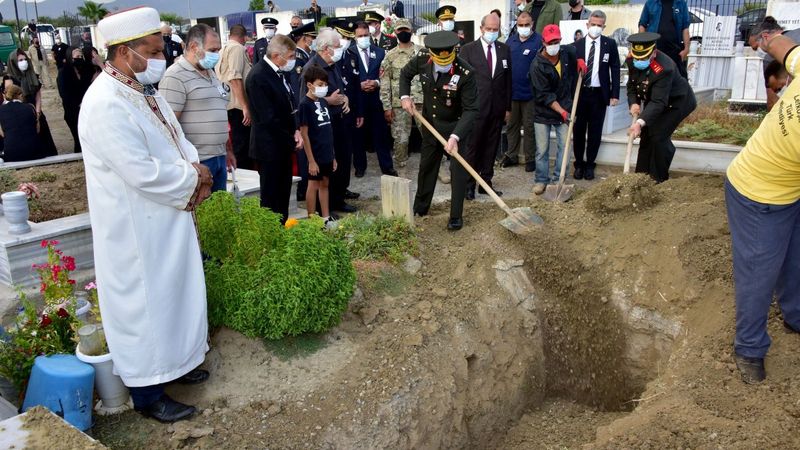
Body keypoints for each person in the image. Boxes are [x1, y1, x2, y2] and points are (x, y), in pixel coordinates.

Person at [78, 6, 214, 423]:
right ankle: (148, 395)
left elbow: (177, 139)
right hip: (136, 227)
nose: (160, 57)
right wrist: (191, 179)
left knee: (176, 293)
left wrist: (195, 167)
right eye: (153, 51)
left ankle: (178, 363)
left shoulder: (142, 90)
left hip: (168, 216)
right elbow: (140, 171)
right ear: (124, 52)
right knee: (146, 305)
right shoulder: (104, 102)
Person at [724, 31, 800, 384]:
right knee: (759, 272)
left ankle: (795, 315)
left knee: (793, 256)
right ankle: (749, 349)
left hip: (789, 186)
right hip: (758, 194)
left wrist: (767, 39)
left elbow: (784, 48)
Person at [400, 31, 478, 231]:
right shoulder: (422, 60)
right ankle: (421, 208)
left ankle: (455, 216)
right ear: (432, 54)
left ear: (453, 52)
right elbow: (405, 74)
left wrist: (455, 136)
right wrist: (405, 96)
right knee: (426, 167)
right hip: (430, 126)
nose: (443, 64)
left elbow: (471, 110)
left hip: (456, 128)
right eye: (439, 61)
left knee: (457, 172)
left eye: (447, 61)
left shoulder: (466, 72)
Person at [160, 24, 234, 193]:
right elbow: (168, 125)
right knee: (202, 216)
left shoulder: (210, 72)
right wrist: (189, 163)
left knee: (219, 213)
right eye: (212, 50)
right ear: (194, 47)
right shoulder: (175, 76)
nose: (216, 55)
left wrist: (227, 150)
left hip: (219, 157)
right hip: (197, 163)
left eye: (218, 50)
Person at [302, 27, 360, 214]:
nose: (340, 49)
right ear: (326, 48)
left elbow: (341, 89)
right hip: (324, 124)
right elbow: (305, 99)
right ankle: (324, 208)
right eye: (337, 46)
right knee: (327, 167)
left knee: (342, 161)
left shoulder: (334, 65)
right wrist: (329, 101)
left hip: (341, 120)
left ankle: (338, 199)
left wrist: (345, 98)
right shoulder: (311, 68)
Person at [246, 34, 303, 222]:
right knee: (271, 200)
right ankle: (271, 241)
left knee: (283, 196)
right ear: (278, 56)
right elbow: (268, 118)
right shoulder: (258, 76)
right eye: (291, 57)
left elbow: (289, 105)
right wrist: (291, 139)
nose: (293, 61)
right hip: (270, 147)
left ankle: (282, 232)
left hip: (283, 144)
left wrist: (296, 130)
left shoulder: (279, 72)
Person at [626, 32, 696, 183]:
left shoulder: (664, 68)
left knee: (658, 137)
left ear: (654, 52)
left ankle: (658, 179)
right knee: (645, 136)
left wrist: (639, 123)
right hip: (656, 102)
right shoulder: (632, 60)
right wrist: (633, 102)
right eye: (637, 57)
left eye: (643, 57)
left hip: (677, 102)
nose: (639, 60)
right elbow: (631, 84)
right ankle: (641, 178)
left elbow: (659, 102)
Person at [460, 13, 511, 200]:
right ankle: (469, 185)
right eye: (488, 29)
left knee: (491, 147)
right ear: (481, 29)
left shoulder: (504, 49)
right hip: (475, 109)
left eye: (495, 29)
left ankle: (486, 182)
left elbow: (508, 80)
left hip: (497, 109)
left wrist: (507, 108)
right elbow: (462, 82)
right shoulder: (468, 50)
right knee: (473, 147)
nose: (491, 32)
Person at [530, 24, 581, 195]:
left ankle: (558, 179)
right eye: (551, 42)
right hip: (543, 111)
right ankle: (541, 180)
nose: (554, 45)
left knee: (565, 146)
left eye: (557, 41)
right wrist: (563, 112)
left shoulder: (567, 52)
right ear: (543, 42)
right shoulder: (537, 65)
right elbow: (544, 95)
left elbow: (577, 50)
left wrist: (579, 60)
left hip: (565, 105)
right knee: (542, 149)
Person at [572, 10, 620, 181]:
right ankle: (578, 164)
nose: (596, 28)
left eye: (599, 25)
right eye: (593, 24)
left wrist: (614, 94)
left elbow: (615, 68)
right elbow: (571, 72)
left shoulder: (610, 44)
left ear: (604, 26)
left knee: (595, 131)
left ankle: (590, 164)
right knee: (578, 131)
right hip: (581, 94)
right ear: (587, 24)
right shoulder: (576, 46)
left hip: (599, 95)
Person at [353, 21, 396, 177]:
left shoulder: (380, 53)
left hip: (376, 100)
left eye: (366, 35)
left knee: (381, 135)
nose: (363, 38)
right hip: (358, 101)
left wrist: (376, 83)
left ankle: (387, 166)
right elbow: (347, 78)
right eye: (360, 36)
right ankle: (359, 166)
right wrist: (360, 84)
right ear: (355, 37)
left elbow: (384, 75)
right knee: (358, 135)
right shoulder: (349, 53)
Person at [502, 11, 541, 172]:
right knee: (512, 126)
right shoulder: (510, 42)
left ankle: (530, 158)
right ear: (516, 25)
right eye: (520, 25)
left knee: (529, 127)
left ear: (532, 24)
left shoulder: (539, 41)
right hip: (512, 93)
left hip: (530, 94)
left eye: (526, 25)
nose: (523, 28)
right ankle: (512, 155)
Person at [380, 18, 422, 169]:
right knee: (400, 139)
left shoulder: (422, 52)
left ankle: (440, 168)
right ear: (395, 32)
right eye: (400, 30)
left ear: (411, 31)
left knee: (431, 138)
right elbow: (385, 83)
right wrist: (387, 107)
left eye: (406, 29)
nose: (403, 32)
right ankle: (400, 167)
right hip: (399, 105)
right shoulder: (389, 56)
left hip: (421, 102)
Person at [299, 65, 337, 226]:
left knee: (325, 183)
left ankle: (325, 218)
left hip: (327, 151)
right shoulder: (304, 105)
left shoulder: (323, 102)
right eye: (320, 85)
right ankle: (311, 219)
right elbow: (304, 134)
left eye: (325, 85)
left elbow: (328, 130)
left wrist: (333, 156)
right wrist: (311, 161)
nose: (324, 88)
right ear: (310, 85)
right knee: (313, 184)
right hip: (314, 153)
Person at [6, 50, 57, 157]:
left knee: (43, 135)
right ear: (14, 62)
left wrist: (37, 112)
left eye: (25, 59)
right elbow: (8, 99)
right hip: (21, 114)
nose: (23, 62)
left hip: (35, 109)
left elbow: (38, 94)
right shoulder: (10, 80)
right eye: (20, 60)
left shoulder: (32, 74)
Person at [217, 24, 254, 170]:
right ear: (244, 37)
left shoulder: (223, 50)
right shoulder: (237, 48)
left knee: (240, 146)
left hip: (229, 104)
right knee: (243, 148)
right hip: (237, 106)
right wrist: (245, 106)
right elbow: (235, 78)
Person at [289, 21, 318, 201]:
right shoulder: (298, 59)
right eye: (312, 38)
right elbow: (296, 86)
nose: (313, 41)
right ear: (305, 38)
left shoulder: (307, 55)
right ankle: (303, 188)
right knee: (303, 153)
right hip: (302, 107)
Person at [747, 17, 800, 112]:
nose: (757, 52)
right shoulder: (796, 33)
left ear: (765, 37)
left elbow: (772, 101)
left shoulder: (770, 58)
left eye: (756, 48)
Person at [57, 47, 96, 153]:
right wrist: (77, 104)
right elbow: (63, 93)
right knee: (78, 137)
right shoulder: (63, 72)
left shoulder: (85, 70)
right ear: (70, 57)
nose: (79, 59)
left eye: (80, 56)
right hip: (72, 110)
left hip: (86, 109)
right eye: (76, 57)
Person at [638, 0, 690, 78]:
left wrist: (686, 49)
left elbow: (685, 28)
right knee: (654, 76)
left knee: (677, 79)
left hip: (674, 51)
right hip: (654, 50)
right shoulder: (650, 3)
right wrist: (643, 46)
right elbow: (642, 25)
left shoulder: (681, 4)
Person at [0, 85, 44, 162]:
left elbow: (3, 134)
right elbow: (37, 130)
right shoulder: (30, 107)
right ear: (19, 95)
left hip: (12, 155)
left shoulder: (1, 110)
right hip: (35, 153)